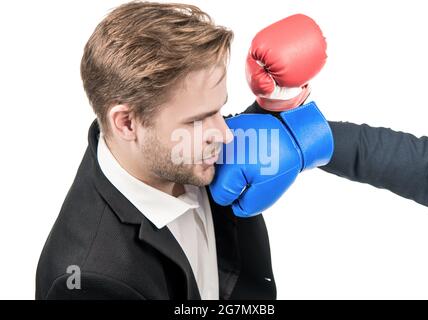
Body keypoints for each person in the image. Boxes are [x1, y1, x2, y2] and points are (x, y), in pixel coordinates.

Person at [36, 1, 278, 300]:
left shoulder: (183, 145)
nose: (226, 135)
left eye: (220, 109)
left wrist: (283, 103)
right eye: (197, 120)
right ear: (126, 124)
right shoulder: (90, 280)